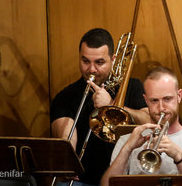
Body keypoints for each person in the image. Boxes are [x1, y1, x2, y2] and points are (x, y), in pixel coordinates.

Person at [50, 28, 150, 186]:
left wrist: (111, 105)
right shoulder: (66, 96)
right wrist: (66, 162)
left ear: (113, 59)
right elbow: (66, 137)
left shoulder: (133, 86)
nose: (91, 69)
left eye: (99, 62)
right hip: (83, 180)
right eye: (85, 61)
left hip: (125, 179)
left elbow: (148, 120)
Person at [101, 66, 182, 185]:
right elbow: (106, 184)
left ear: (179, 96)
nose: (161, 108)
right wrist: (127, 149)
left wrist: (179, 157)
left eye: (167, 99)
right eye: (154, 101)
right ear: (146, 100)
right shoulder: (126, 140)